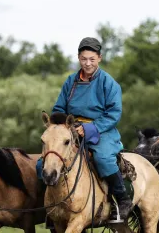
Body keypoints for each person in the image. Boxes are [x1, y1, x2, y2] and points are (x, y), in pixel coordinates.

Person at [37, 37, 132, 224]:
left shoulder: (109, 83)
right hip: (70, 130)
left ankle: (122, 200)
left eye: (92, 59)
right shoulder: (70, 81)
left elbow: (114, 113)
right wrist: (63, 126)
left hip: (101, 130)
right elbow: (59, 108)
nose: (87, 63)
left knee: (102, 158)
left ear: (100, 58)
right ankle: (53, 208)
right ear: (78, 58)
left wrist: (90, 128)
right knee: (44, 164)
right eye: (83, 59)